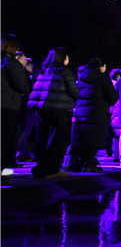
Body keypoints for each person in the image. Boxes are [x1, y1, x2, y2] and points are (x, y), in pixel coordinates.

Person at [26, 47, 79, 178]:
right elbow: (74, 92)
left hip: (42, 109)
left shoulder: (43, 71)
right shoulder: (65, 72)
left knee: (42, 138)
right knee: (57, 139)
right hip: (59, 109)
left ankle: (41, 167)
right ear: (63, 58)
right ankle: (52, 169)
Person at [69, 57, 118, 172]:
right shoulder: (103, 79)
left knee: (82, 138)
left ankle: (79, 163)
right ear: (101, 67)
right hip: (97, 113)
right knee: (94, 138)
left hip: (81, 112)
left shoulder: (81, 78)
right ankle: (90, 164)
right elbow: (113, 98)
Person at [1, 34, 31, 175]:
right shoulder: (12, 64)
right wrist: (22, 66)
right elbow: (23, 87)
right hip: (7, 105)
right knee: (5, 139)